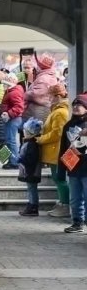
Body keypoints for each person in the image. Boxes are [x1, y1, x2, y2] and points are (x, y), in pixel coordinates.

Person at [36, 84, 70, 217]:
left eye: (50, 95)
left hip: (56, 151)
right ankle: (62, 203)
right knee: (58, 179)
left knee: (59, 179)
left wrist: (41, 139)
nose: (48, 98)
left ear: (58, 96)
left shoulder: (60, 112)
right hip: (54, 151)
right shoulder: (58, 110)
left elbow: (58, 133)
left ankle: (65, 205)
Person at [55, 94, 87, 233]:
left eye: (79, 105)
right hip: (73, 167)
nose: (75, 107)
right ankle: (77, 222)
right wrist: (61, 168)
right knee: (75, 198)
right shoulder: (69, 125)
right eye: (74, 105)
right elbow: (63, 147)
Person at [17, 118, 43, 216]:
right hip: (31, 171)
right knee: (31, 189)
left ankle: (33, 207)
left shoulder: (32, 144)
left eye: (26, 131)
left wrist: (22, 160)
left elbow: (31, 159)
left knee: (32, 189)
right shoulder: (30, 143)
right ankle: (31, 205)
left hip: (31, 171)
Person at [0, 74, 25, 169]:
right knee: (10, 140)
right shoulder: (14, 91)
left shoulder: (14, 92)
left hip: (13, 119)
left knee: (11, 140)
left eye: (5, 83)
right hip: (13, 118)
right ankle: (12, 160)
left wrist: (8, 113)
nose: (3, 85)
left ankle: (14, 162)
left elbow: (19, 107)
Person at [23, 53, 58, 122]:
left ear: (41, 66)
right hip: (43, 109)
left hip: (39, 112)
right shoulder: (49, 75)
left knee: (36, 131)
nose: (36, 67)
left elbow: (36, 94)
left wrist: (25, 94)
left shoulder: (44, 78)